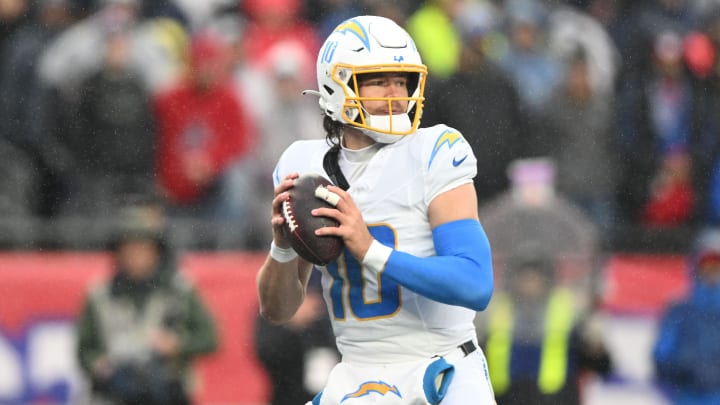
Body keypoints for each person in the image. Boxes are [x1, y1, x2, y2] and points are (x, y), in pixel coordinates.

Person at [255, 15, 496, 405]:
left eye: (402, 80)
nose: (396, 93)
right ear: (336, 84)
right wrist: (283, 246)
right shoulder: (304, 166)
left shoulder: (434, 151)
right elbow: (277, 311)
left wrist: (371, 250)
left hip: (440, 369)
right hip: (357, 374)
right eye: (379, 80)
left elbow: (475, 283)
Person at [76, 203, 218, 405]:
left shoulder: (179, 290)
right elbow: (84, 350)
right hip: (116, 391)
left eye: (142, 247)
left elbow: (209, 338)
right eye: (129, 248)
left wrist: (176, 345)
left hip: (166, 390)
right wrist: (100, 366)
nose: (135, 255)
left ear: (156, 251)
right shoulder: (100, 295)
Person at [475, 244, 612, 405]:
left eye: (535, 276)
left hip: (556, 400)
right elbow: (475, 358)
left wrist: (596, 348)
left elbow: (600, 364)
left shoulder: (570, 309)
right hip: (503, 398)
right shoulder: (495, 310)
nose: (529, 283)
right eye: (524, 276)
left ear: (547, 279)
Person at [653, 228, 720, 405]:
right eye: (707, 265)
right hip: (687, 397)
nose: (713, 272)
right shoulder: (680, 311)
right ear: (696, 266)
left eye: (717, 265)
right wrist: (687, 367)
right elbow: (661, 357)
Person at [255, 273, 339, 405]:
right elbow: (266, 353)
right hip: (289, 394)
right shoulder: (274, 303)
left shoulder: (343, 302)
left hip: (338, 393)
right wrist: (290, 324)